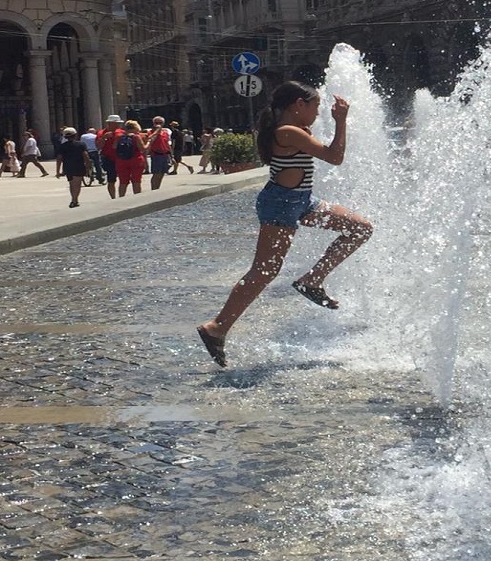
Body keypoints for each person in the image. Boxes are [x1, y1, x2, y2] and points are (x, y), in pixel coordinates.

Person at [194, 82, 374, 368]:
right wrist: (341, 121)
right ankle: (217, 327)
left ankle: (312, 280)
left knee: (360, 227)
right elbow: (335, 157)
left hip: (302, 200)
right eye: (314, 106)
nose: (318, 112)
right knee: (264, 270)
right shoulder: (287, 132)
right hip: (281, 203)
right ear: (297, 106)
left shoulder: (293, 130)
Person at [54, 127, 91, 208]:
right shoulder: (81, 144)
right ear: (75, 135)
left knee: (71, 184)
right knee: (77, 184)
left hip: (68, 167)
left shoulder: (62, 146)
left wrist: (57, 171)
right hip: (79, 166)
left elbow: (59, 158)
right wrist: (88, 168)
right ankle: (75, 200)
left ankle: (74, 199)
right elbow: (86, 156)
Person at [113, 120, 147, 196]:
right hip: (136, 160)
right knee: (136, 181)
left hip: (121, 161)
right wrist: (148, 143)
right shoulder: (136, 137)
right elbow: (143, 149)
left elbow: (114, 147)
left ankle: (121, 197)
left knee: (123, 182)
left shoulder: (119, 137)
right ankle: (137, 197)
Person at [95, 114, 124, 196]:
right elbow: (98, 147)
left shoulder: (122, 132)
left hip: (121, 158)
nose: (118, 125)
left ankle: (122, 196)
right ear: (110, 123)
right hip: (109, 159)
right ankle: (113, 197)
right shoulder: (101, 133)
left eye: (119, 123)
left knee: (124, 179)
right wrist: (104, 138)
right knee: (111, 180)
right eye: (116, 123)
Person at [146, 116, 172, 190]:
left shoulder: (165, 133)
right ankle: (153, 189)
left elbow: (167, 144)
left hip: (165, 155)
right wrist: (157, 131)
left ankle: (157, 188)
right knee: (156, 174)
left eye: (160, 123)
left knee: (162, 173)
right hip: (156, 155)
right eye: (156, 123)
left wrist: (171, 156)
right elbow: (151, 140)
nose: (158, 124)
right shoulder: (150, 132)